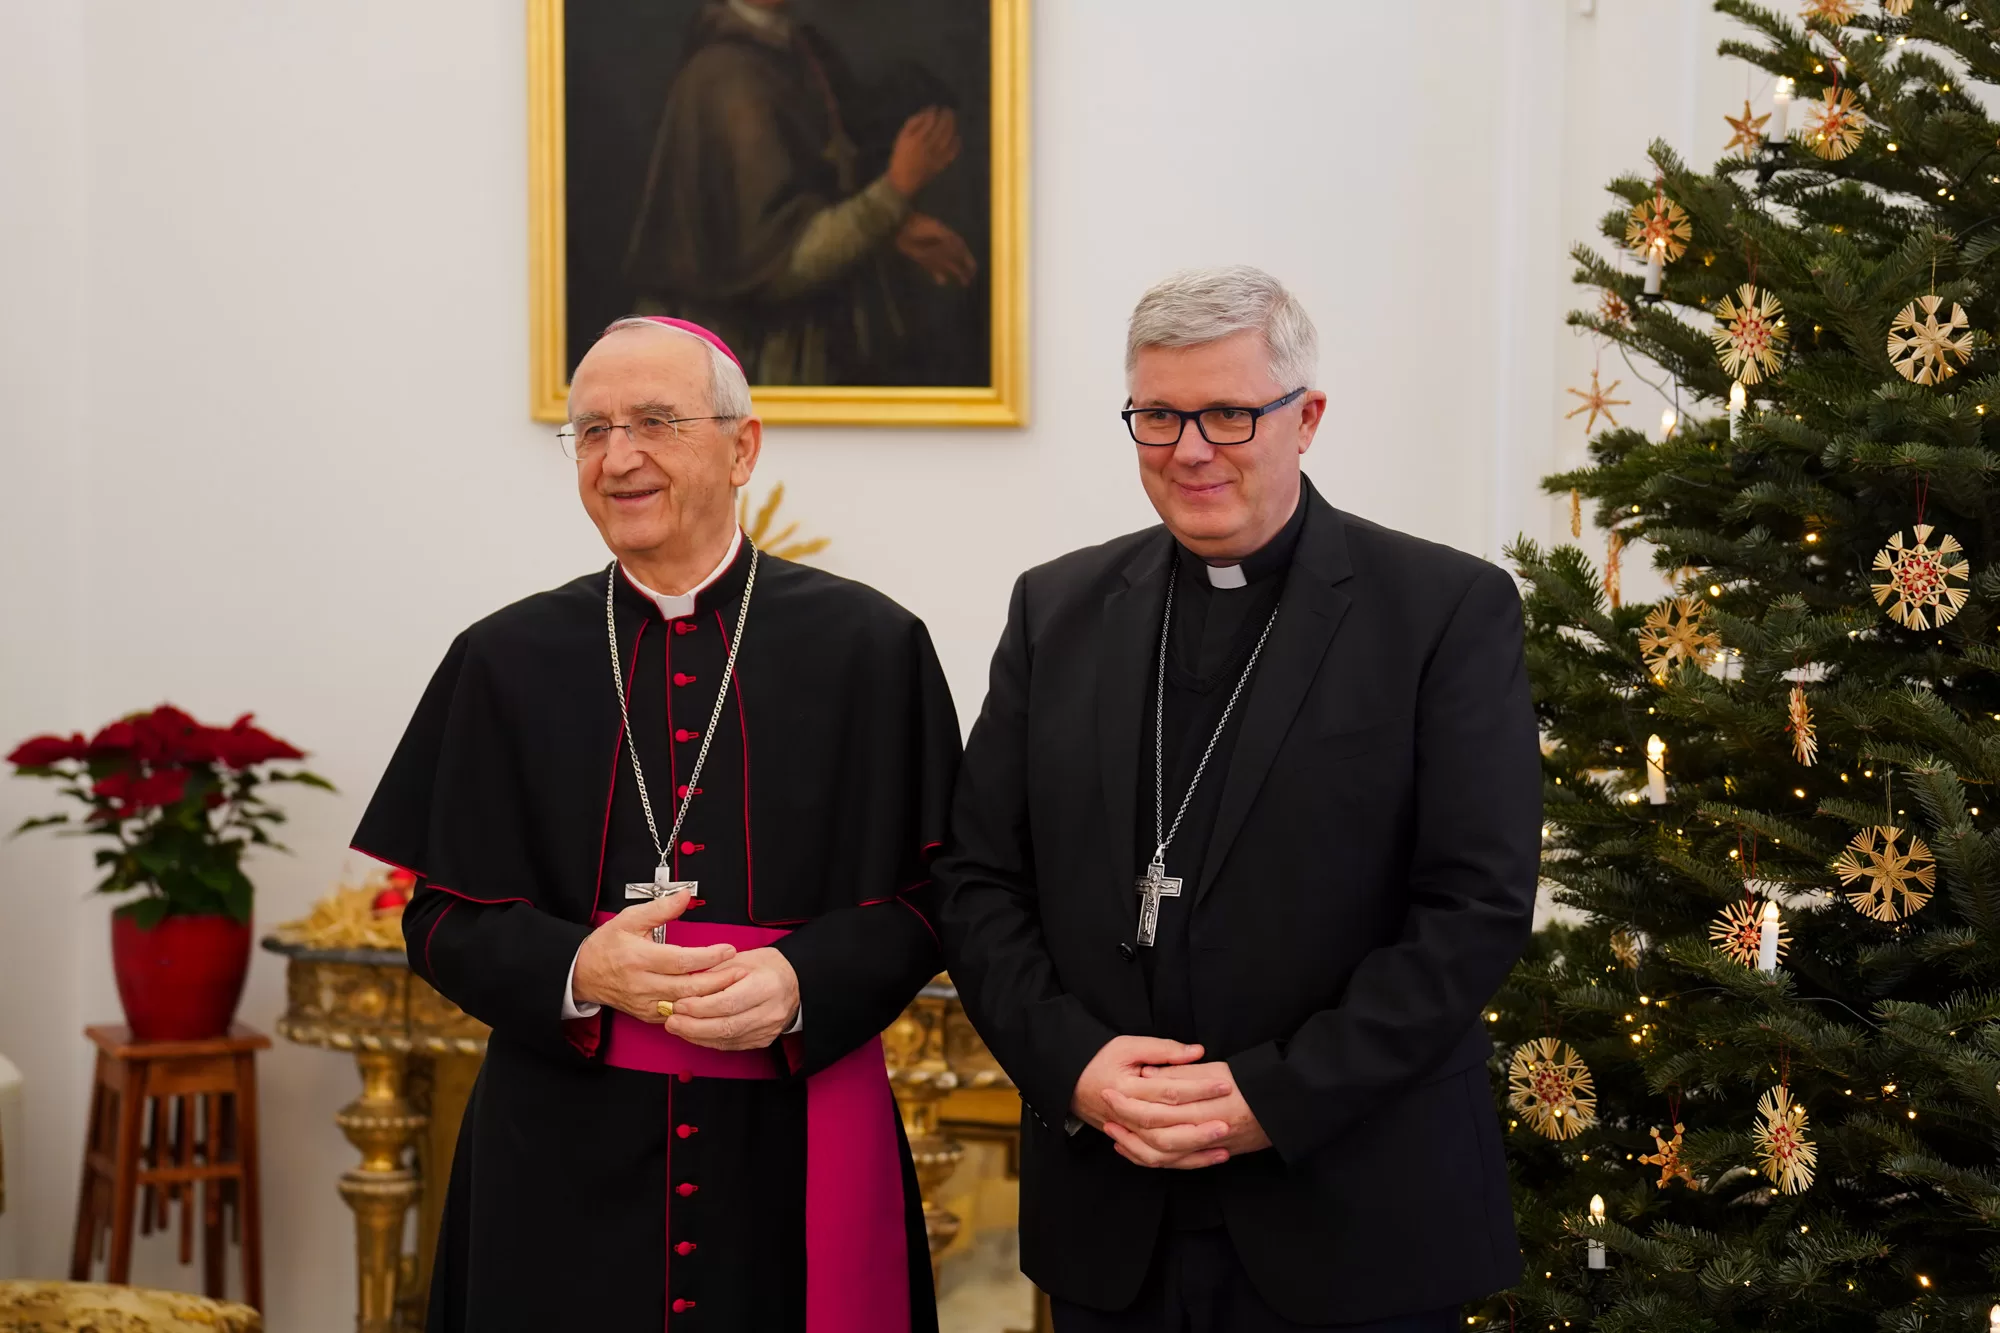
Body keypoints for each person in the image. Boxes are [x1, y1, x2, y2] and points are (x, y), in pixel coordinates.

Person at [937, 267, 1541, 1331]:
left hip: (1352, 1209)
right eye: (1158, 416)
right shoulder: (1056, 609)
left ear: (1306, 418)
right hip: (1112, 1209)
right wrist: (1073, 1064)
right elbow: (979, 877)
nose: (1189, 449)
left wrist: (1279, 1093)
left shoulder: (1442, 610)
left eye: (1227, 413)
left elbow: (1473, 906)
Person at [354, 315, 958, 1331]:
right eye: (591, 430)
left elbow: (937, 899)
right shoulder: (503, 659)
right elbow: (439, 918)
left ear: (742, 447)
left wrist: (803, 981)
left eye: (654, 421)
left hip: (789, 1149)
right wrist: (578, 967)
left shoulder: (872, 647)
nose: (618, 456)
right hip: (556, 1162)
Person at [624, 0, 978, 386]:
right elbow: (781, 267)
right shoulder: (725, 78)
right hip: (754, 363)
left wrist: (893, 228)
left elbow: (818, 194)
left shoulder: (802, 50)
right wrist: (894, 191)